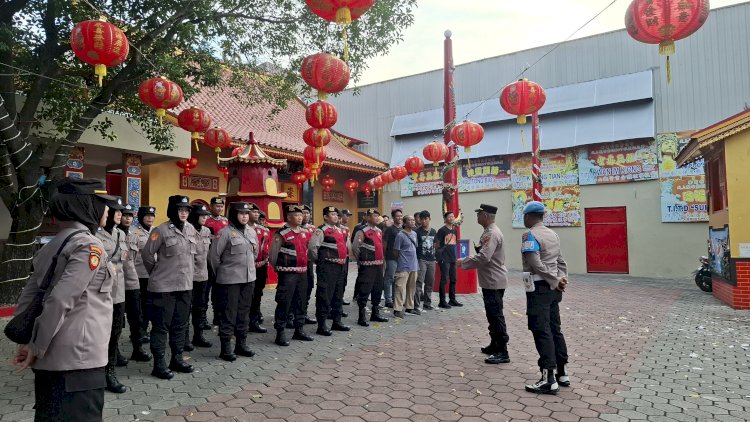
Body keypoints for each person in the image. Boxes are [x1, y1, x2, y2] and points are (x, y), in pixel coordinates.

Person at [12, 178, 118, 421]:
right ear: (86, 206)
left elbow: (28, 297)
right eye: (102, 203)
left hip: (53, 360)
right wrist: (35, 347)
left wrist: (29, 342)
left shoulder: (54, 243)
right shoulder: (88, 245)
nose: (109, 210)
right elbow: (60, 300)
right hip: (78, 362)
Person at [142, 195, 197, 379]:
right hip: (163, 288)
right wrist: (158, 273)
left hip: (185, 286)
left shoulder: (191, 229)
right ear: (173, 210)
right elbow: (148, 255)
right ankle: (159, 364)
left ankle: (177, 358)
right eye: (180, 209)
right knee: (161, 327)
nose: (183, 213)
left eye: (186, 210)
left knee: (180, 325)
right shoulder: (160, 230)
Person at [521, 201, 569, 395]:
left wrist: (553, 280)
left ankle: (548, 378)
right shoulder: (553, 234)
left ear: (530, 217)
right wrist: (562, 280)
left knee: (541, 329)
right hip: (553, 289)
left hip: (540, 287)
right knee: (554, 327)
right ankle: (562, 372)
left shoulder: (529, 234)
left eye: (524, 216)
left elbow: (535, 263)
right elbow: (560, 261)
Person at [457, 204, 510, 365]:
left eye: (479, 214)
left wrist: (463, 262)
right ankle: (494, 344)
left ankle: (502, 350)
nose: (477, 217)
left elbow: (484, 257)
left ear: (486, 216)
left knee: (496, 315)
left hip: (494, 280)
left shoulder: (492, 233)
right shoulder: (489, 232)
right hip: (491, 279)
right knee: (491, 314)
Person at [209, 202, 258, 361]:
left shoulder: (251, 231)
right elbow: (214, 258)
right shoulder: (224, 233)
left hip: (248, 279)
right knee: (229, 313)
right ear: (233, 215)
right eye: (240, 213)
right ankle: (226, 347)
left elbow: (254, 253)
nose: (244, 216)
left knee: (244, 312)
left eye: (246, 213)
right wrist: (224, 273)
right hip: (229, 280)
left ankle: (241, 344)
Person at [96, 197, 129, 393]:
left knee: (116, 331)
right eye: (115, 211)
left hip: (119, 292)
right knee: (100, 332)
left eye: (120, 211)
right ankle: (98, 371)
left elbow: (124, 263)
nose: (119, 214)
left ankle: (110, 370)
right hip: (101, 292)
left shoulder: (120, 234)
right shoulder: (95, 235)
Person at [270, 204, 314, 346]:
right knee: (284, 302)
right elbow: (273, 256)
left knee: (301, 301)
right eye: (297, 215)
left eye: (301, 215)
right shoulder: (281, 233)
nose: (300, 218)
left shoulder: (306, 232)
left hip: (302, 273)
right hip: (288, 274)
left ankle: (299, 330)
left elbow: (309, 251)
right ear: (289, 217)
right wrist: (281, 268)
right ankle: (280, 332)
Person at [308, 206, 351, 336]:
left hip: (341, 266)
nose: (336, 216)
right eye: (332, 214)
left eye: (337, 214)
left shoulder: (341, 230)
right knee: (324, 295)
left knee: (338, 294)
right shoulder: (321, 231)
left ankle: (336, 321)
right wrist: (320, 262)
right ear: (326, 217)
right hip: (327, 267)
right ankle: (322, 325)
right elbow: (312, 249)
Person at [120, 204, 152, 362]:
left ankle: (137, 348)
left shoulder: (133, 235)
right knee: (117, 320)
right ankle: (115, 353)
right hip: (117, 283)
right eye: (124, 215)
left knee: (136, 316)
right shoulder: (113, 234)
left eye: (129, 216)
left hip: (133, 281)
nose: (127, 218)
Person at [351, 209, 389, 326]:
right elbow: (355, 247)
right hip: (367, 266)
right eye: (374, 216)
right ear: (367, 218)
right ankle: (361, 316)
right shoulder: (362, 231)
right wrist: (362, 260)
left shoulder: (378, 231)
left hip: (378, 265)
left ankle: (375, 314)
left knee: (377, 289)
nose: (377, 218)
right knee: (365, 290)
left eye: (378, 216)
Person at [185, 204, 213, 351]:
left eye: (206, 215)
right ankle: (184, 338)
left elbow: (208, 255)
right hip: (187, 277)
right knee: (186, 309)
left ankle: (198, 335)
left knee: (200, 308)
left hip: (203, 276)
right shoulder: (186, 229)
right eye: (202, 215)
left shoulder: (207, 231)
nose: (205, 218)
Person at [204, 197, 229, 328]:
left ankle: (217, 316)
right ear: (211, 206)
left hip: (221, 260)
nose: (219, 208)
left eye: (221, 206)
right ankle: (202, 318)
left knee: (219, 290)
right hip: (206, 260)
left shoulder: (226, 221)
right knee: (205, 290)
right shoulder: (205, 221)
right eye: (216, 206)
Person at [133, 205, 156, 343]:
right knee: (140, 305)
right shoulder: (134, 233)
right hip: (139, 274)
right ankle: (139, 331)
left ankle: (146, 328)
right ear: (141, 217)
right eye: (147, 215)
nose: (150, 218)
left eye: (152, 216)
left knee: (150, 304)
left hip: (153, 274)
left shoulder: (156, 231)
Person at [248, 203, 272, 334]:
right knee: (246, 295)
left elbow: (267, 248)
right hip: (247, 267)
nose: (256, 214)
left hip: (261, 267)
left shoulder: (264, 230)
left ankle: (254, 320)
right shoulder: (243, 229)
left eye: (257, 212)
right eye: (253, 212)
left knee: (258, 294)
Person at [392, 214, 419, 319]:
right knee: (400, 287)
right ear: (405, 223)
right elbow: (395, 251)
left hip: (414, 265)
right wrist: (401, 260)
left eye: (413, 220)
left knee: (411, 288)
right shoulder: (400, 235)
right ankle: (397, 309)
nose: (413, 222)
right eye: (410, 220)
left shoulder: (415, 234)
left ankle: (409, 307)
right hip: (403, 265)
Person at [436, 211, 462, 308]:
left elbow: (454, 244)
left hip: (452, 258)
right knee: (444, 279)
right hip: (444, 258)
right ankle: (442, 301)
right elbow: (437, 244)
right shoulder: (442, 230)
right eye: (449, 217)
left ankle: (452, 299)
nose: (451, 218)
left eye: (452, 217)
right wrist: (438, 257)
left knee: (453, 279)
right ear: (445, 219)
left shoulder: (454, 230)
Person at [415, 210, 437, 311]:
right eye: (422, 219)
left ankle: (427, 303)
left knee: (430, 282)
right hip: (421, 260)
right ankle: (416, 305)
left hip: (432, 260)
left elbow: (436, 245)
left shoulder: (433, 231)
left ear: (429, 219)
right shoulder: (416, 231)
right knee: (419, 282)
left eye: (426, 219)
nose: (424, 221)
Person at [300, 204, 317, 325]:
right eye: (303, 213)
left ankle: (303, 313)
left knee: (308, 287)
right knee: (295, 291)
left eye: (307, 213)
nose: (305, 215)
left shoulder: (312, 229)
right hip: (295, 265)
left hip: (309, 264)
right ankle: (291, 315)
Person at [382, 209, 403, 308]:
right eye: (397, 216)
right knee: (389, 278)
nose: (400, 217)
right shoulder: (390, 229)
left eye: (401, 216)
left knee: (397, 279)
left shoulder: (403, 229)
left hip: (401, 258)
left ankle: (396, 298)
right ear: (393, 218)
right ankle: (388, 299)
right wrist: (384, 255)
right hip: (391, 257)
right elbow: (384, 243)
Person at [337, 209, 353, 308]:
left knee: (343, 279)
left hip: (345, 257)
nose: (348, 218)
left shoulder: (346, 228)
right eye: (346, 215)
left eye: (349, 216)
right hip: (336, 259)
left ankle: (340, 298)